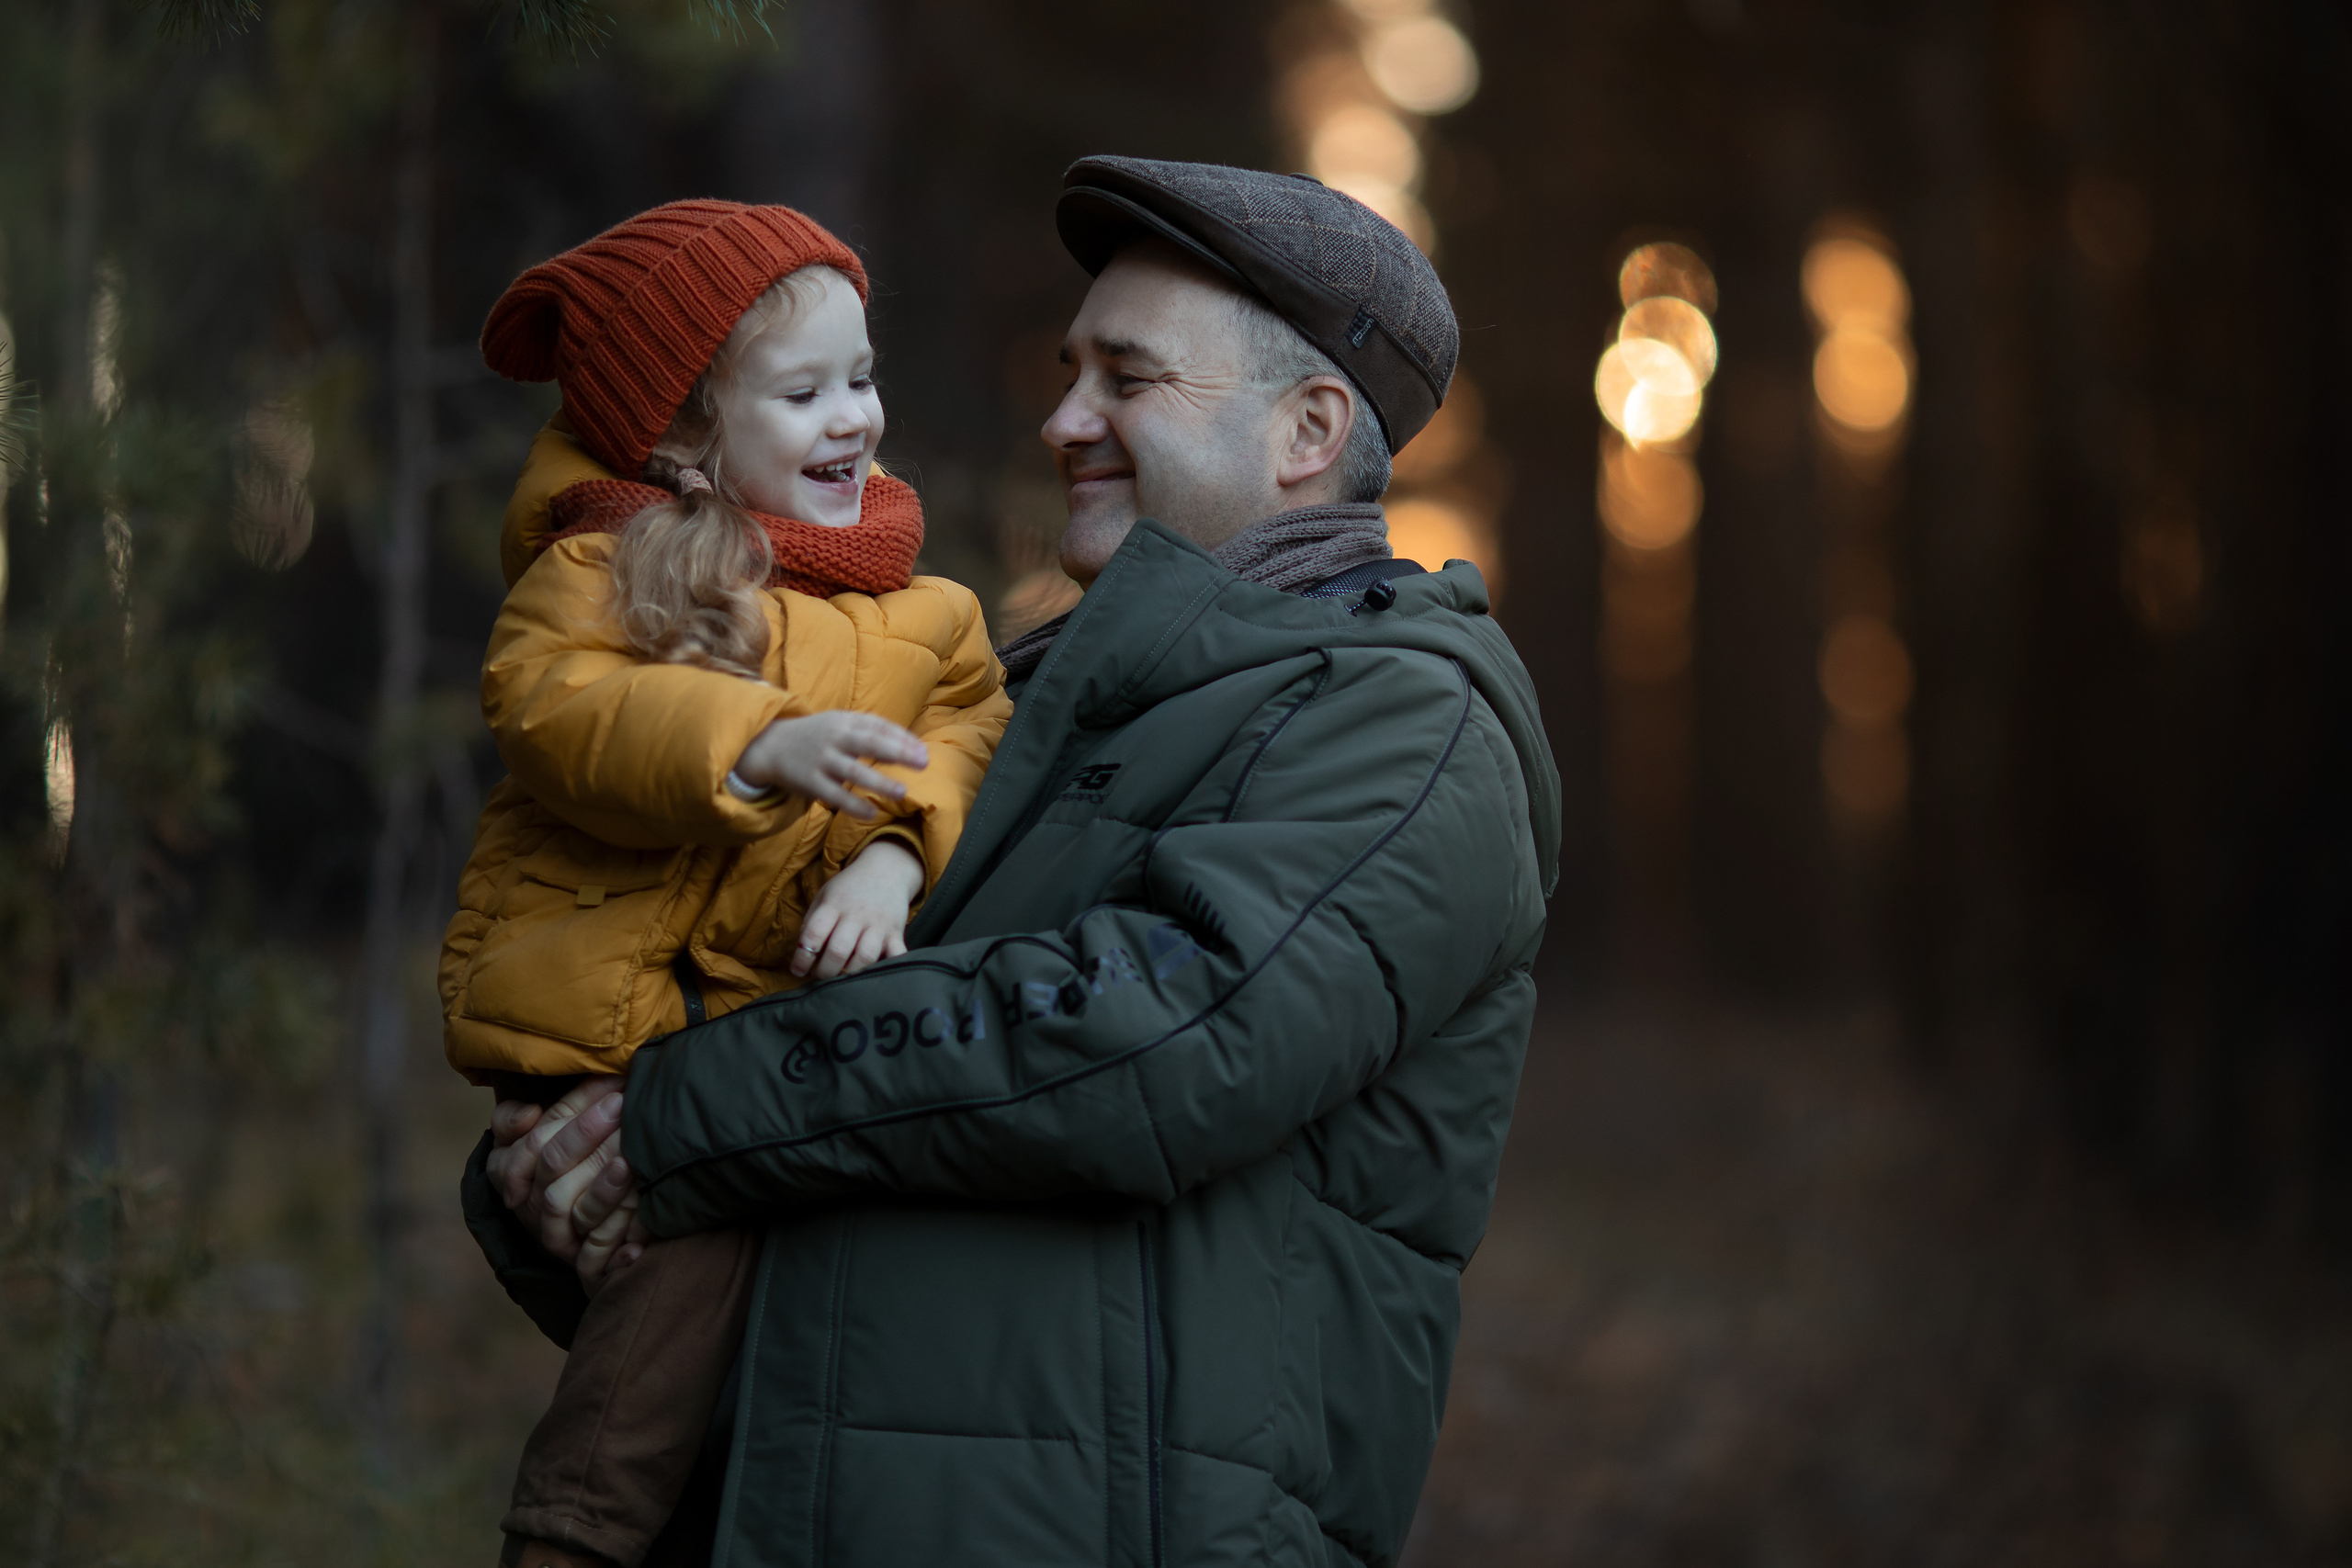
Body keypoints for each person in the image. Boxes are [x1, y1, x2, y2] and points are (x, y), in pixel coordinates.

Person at [471, 157, 1560, 1567]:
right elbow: (806, 1089)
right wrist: (561, 1147)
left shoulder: (1406, 716)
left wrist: (677, 1121)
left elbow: (1154, 1040)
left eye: (1128, 379)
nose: (1063, 420)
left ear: (1308, 430)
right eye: (1069, 371)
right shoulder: (1022, 697)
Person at [443, 199, 1011, 1568]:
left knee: (767, 1330)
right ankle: (568, 1541)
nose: (853, 420)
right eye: (803, 391)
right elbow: (560, 711)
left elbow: (967, 735)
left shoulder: (925, 613)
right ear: (687, 436)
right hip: (600, 1040)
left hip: (746, 1054)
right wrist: (754, 740)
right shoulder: (602, 570)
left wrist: (890, 852)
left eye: (863, 379)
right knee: (682, 1273)